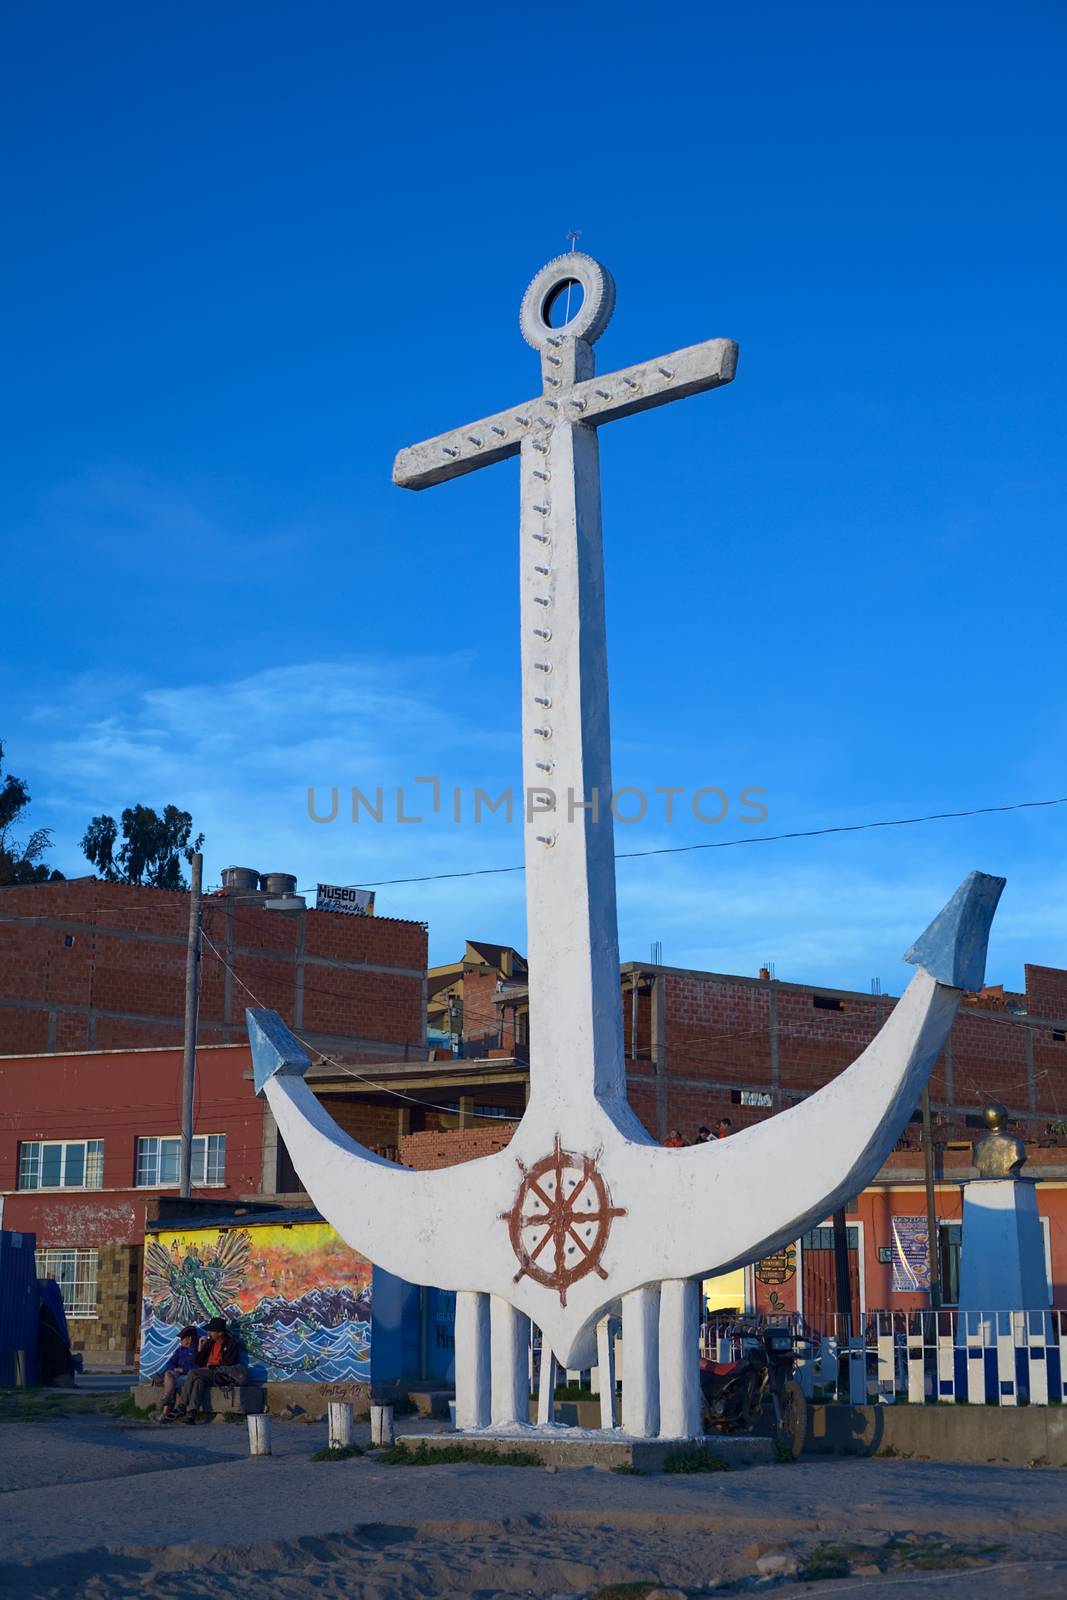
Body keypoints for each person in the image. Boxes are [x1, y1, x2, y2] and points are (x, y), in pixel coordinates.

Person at [176, 1317, 248, 1424]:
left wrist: (211, 1367)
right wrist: (200, 1347)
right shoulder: (210, 1343)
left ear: (220, 1333)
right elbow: (198, 1363)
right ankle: (192, 1414)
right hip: (208, 1374)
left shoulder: (230, 1343)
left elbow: (229, 1363)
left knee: (193, 1373)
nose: (209, 1333)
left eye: (211, 1331)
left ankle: (182, 1406)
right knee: (198, 1382)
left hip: (221, 1375)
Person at [158, 1325, 200, 1422]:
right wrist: (174, 1369)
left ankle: (164, 1413)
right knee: (168, 1374)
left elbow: (197, 1368)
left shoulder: (197, 1350)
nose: (180, 1341)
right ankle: (168, 1397)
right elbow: (169, 1363)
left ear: (189, 1339)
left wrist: (182, 1370)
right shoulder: (180, 1350)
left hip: (188, 1377)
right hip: (177, 1375)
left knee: (170, 1383)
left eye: (182, 1338)